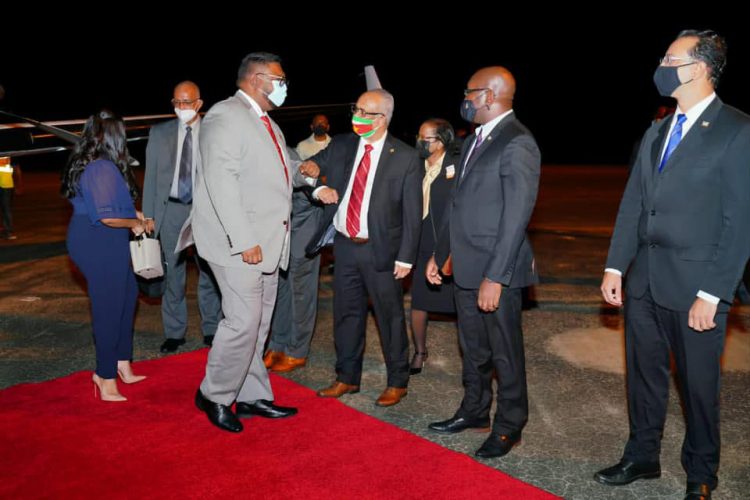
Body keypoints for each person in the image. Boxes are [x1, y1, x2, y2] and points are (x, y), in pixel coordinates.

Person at [596, 30, 750, 500]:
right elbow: (634, 203)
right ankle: (641, 456)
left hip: (696, 286)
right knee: (644, 379)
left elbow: (741, 220)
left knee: (699, 388)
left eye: (670, 58)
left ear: (699, 68)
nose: (661, 65)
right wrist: (615, 265)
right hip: (644, 280)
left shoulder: (737, 129)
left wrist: (713, 292)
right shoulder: (657, 130)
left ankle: (701, 472)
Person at [190, 52, 319, 432]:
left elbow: (277, 168)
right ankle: (214, 394)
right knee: (242, 322)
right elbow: (221, 182)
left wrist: (302, 171)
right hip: (239, 244)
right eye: (278, 80)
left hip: (269, 240)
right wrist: (243, 239)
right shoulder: (225, 116)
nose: (283, 87)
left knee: (259, 324)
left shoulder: (268, 123)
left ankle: (250, 393)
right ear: (255, 79)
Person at [426, 66, 541, 459]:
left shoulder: (517, 142)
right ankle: (474, 411)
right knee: (473, 348)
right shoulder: (474, 139)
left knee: (504, 352)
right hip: (465, 266)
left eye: (470, 93)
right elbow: (457, 204)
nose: (466, 100)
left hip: (496, 270)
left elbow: (515, 217)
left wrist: (496, 276)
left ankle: (510, 425)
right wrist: (440, 254)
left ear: (489, 96)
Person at [305, 89, 422, 407]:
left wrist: (407, 258)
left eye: (364, 112)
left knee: (390, 317)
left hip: (382, 250)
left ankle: (398, 381)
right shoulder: (343, 144)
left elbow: (413, 214)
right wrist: (319, 185)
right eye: (355, 109)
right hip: (344, 246)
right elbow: (310, 167)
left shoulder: (407, 157)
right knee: (346, 314)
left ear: (382, 118)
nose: (357, 116)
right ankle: (346, 377)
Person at [61, 110, 149, 402]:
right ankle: (105, 375)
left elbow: (110, 207)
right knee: (109, 306)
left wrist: (132, 214)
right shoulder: (100, 167)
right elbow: (108, 218)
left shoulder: (100, 164)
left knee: (127, 295)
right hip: (97, 242)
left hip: (107, 240)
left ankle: (122, 363)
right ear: (113, 136)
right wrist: (135, 223)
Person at [143, 81, 222, 353]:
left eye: (187, 103)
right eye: (177, 103)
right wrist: (150, 216)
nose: (181, 108)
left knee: (209, 272)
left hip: (205, 211)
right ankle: (174, 332)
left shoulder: (214, 132)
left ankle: (211, 328)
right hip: (172, 210)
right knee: (172, 274)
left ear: (199, 104)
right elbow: (151, 178)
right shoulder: (159, 133)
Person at [264, 115, 331, 373]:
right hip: (280, 230)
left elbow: (307, 183)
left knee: (301, 291)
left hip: (303, 225)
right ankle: (278, 344)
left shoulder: (286, 152)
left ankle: (297, 350)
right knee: (281, 288)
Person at [408, 118, 458, 375]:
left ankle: (471, 353)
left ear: (441, 142)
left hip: (447, 241)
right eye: (419, 136)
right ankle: (419, 351)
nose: (420, 142)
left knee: (460, 301)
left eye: (426, 139)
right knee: (418, 301)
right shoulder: (415, 165)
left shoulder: (456, 165)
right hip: (421, 240)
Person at [0, 156, 21, 240]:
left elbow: (16, 169)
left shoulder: (8, 152)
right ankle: (7, 230)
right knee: (6, 208)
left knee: (6, 208)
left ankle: (8, 231)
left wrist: (18, 185)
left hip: (6, 185)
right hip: (6, 184)